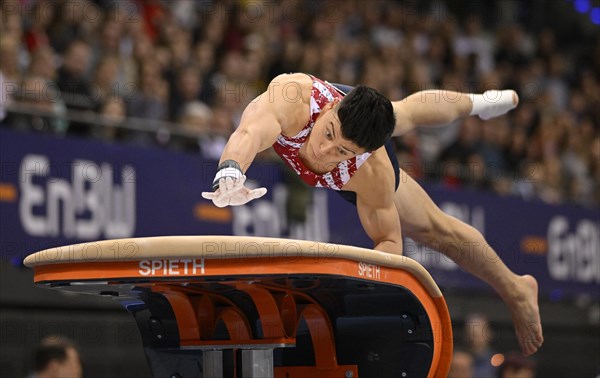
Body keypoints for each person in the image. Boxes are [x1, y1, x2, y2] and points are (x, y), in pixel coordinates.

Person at [201, 72, 543, 356]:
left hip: (363, 165)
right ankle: (480, 102)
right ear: (332, 105)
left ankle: (516, 288)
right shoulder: (292, 100)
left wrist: (361, 285)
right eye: (329, 133)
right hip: (332, 110)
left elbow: (389, 240)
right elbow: (248, 133)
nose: (324, 149)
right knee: (402, 112)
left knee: (434, 228)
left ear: (361, 152)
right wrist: (231, 171)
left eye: (342, 150)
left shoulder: (370, 171)